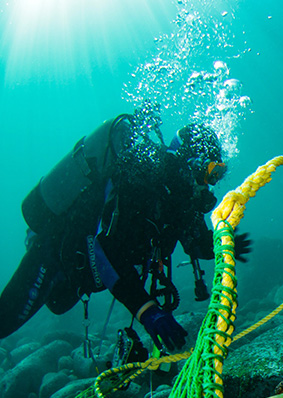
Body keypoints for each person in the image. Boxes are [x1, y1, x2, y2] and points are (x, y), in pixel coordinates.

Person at [0, 113, 251, 353]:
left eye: (219, 174)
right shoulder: (142, 178)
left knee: (58, 303)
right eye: (211, 172)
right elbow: (103, 250)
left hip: (80, 273)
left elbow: (196, 242)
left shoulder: (180, 202)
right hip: (53, 253)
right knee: (5, 320)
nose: (211, 183)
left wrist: (224, 244)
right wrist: (146, 309)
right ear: (190, 163)